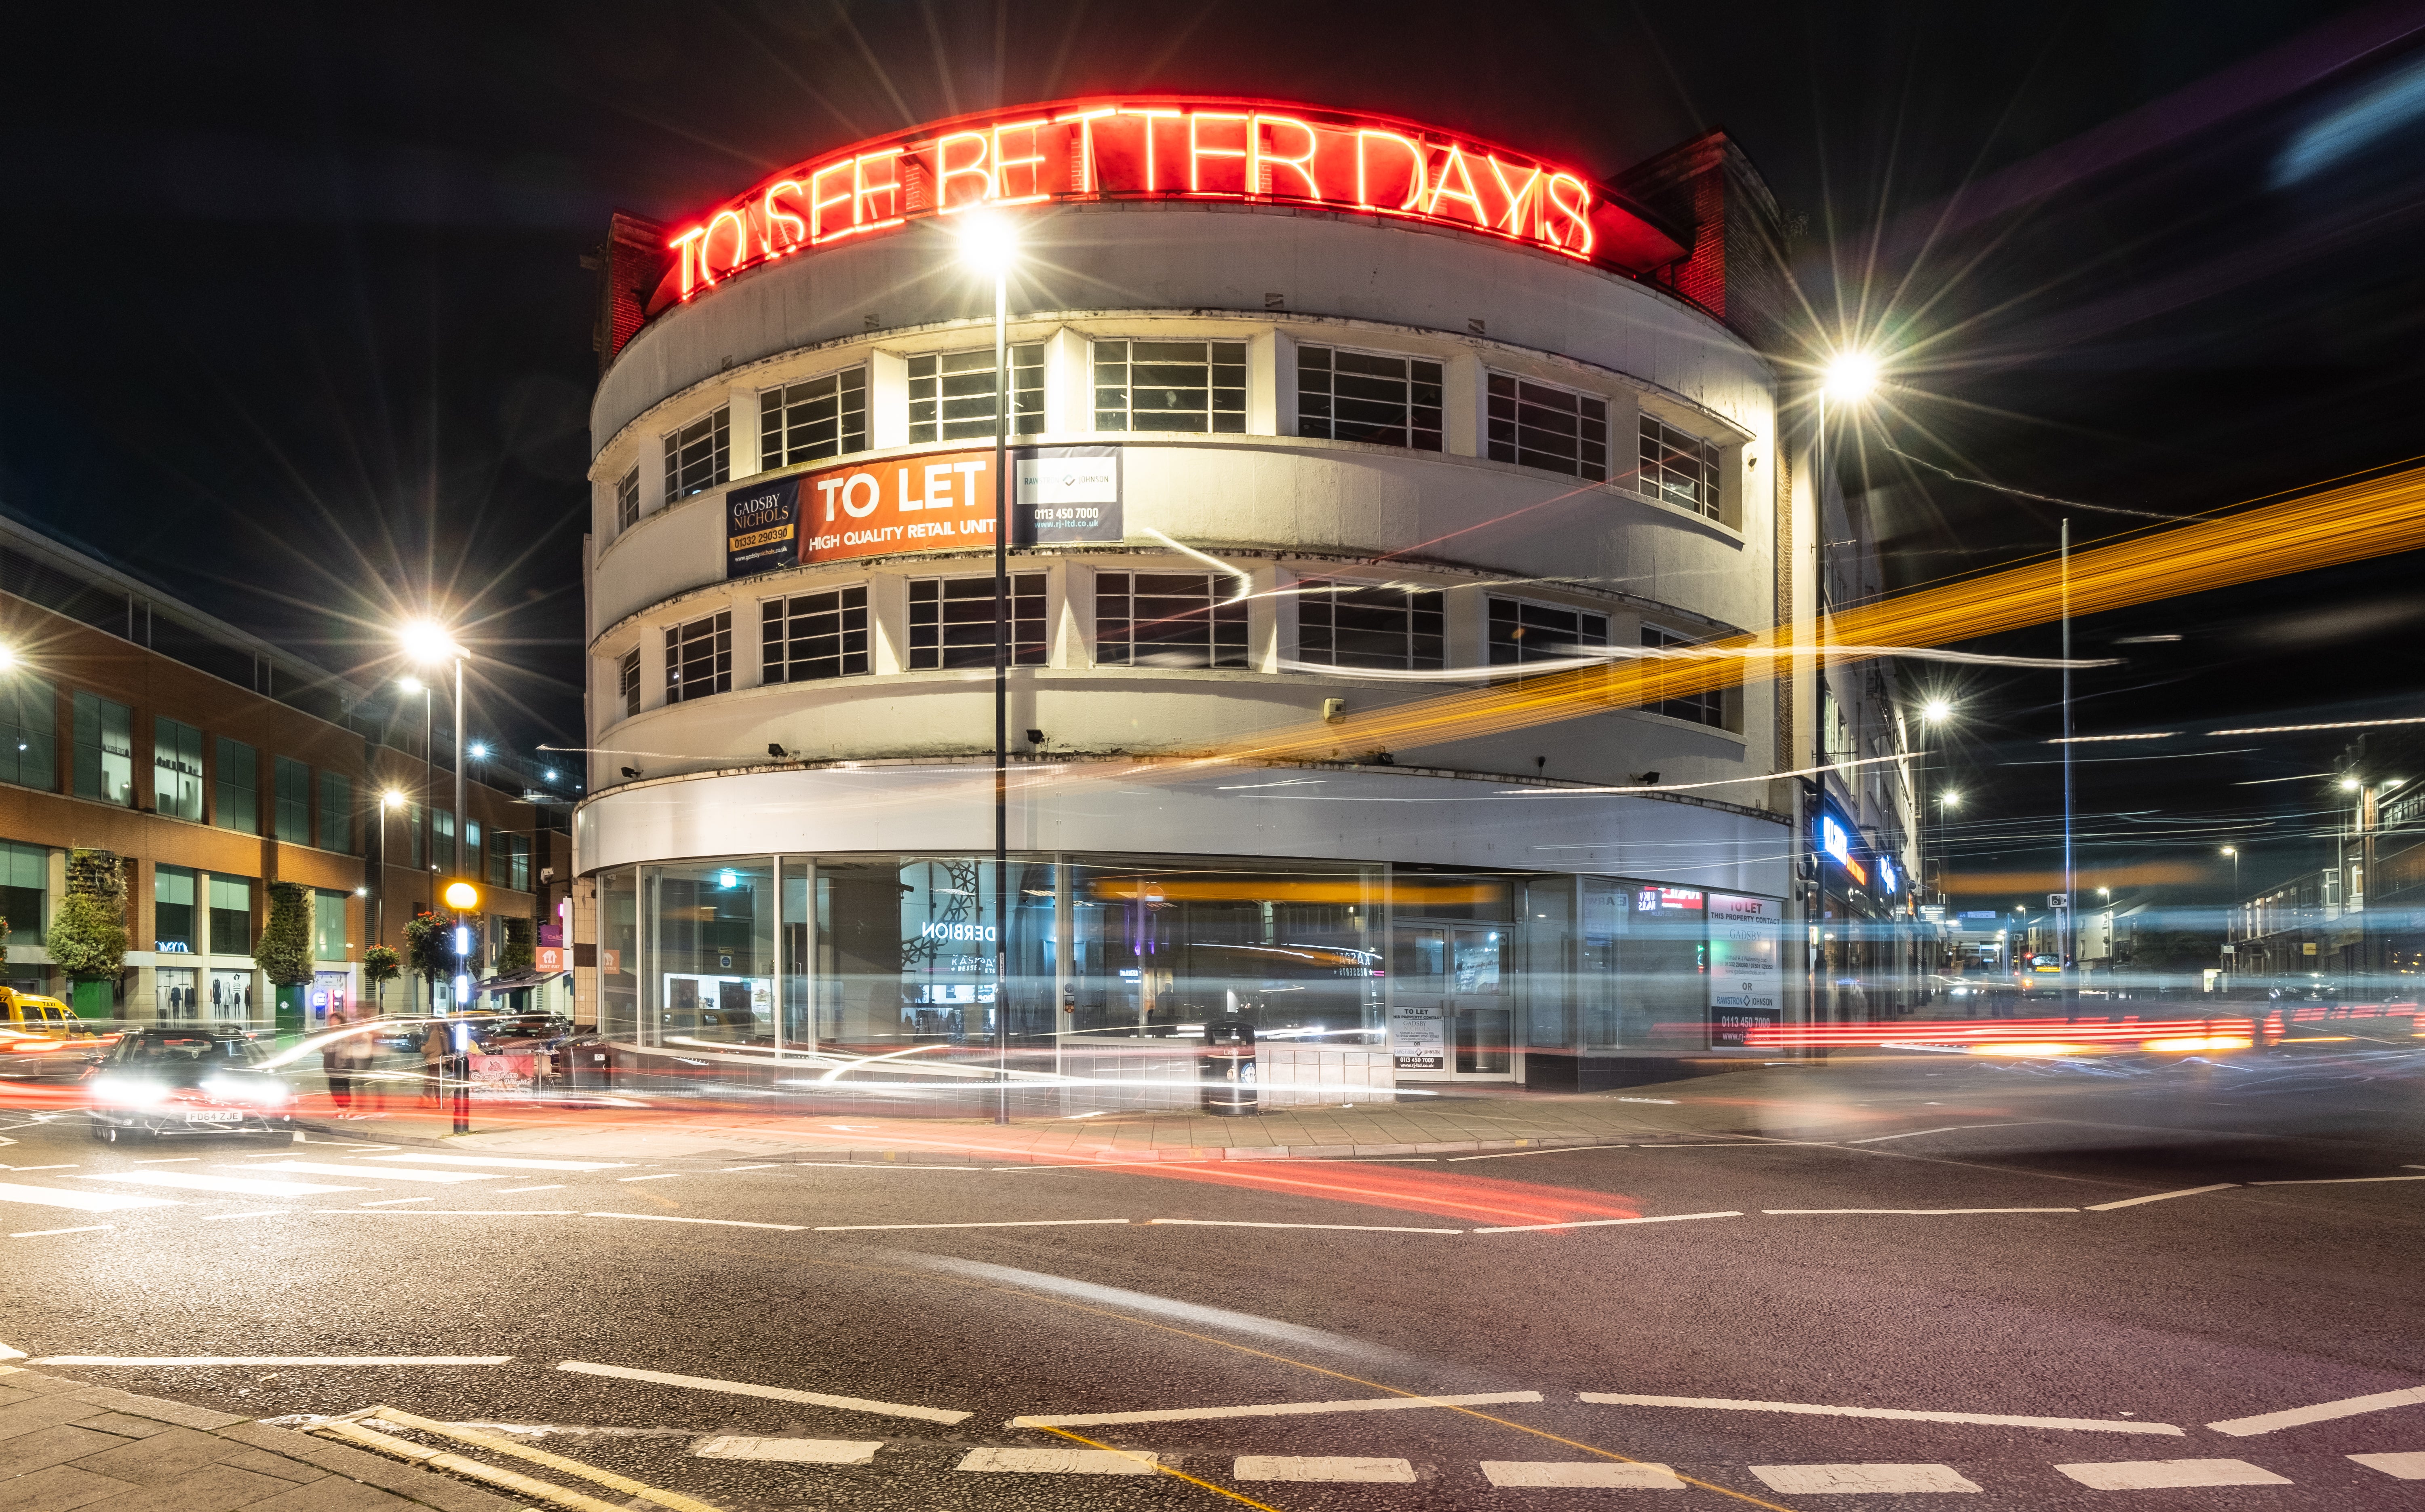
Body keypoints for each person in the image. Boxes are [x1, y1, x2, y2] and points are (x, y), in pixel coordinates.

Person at [320, 1009, 354, 1111]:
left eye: (336, 1020)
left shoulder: (345, 1032)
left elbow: (348, 1046)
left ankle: (345, 1107)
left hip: (343, 1062)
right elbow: (324, 1048)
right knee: (334, 1087)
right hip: (330, 1062)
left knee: (343, 1085)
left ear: (341, 1021)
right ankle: (340, 1106)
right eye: (332, 1020)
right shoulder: (328, 1034)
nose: (333, 1022)